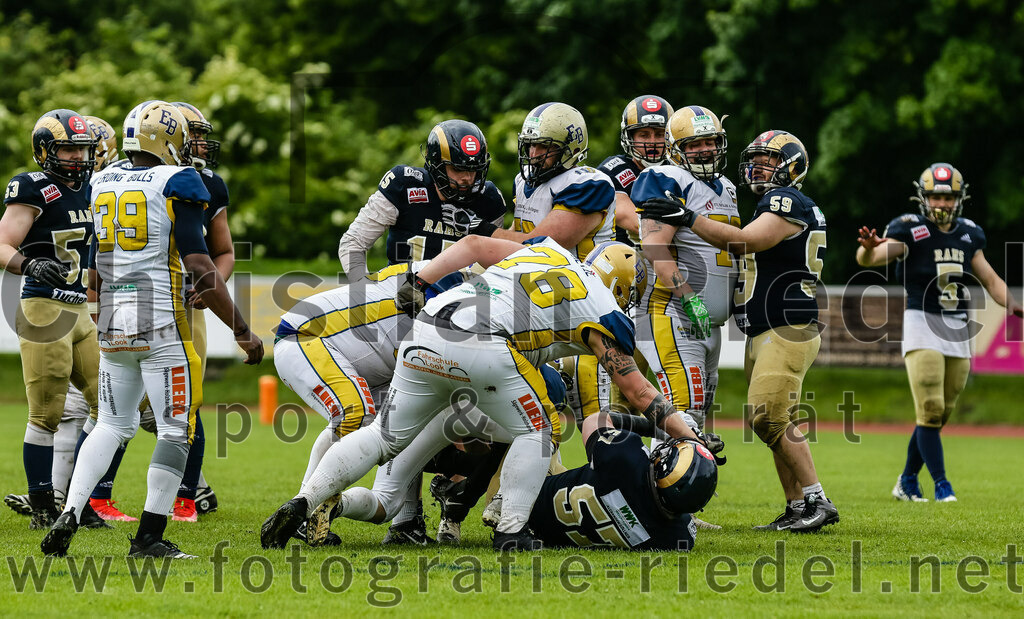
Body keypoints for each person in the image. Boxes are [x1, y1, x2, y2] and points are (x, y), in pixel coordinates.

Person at [260, 236, 701, 552]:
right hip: (482, 344)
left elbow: (474, 244)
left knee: (382, 436)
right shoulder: (606, 309)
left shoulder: (549, 250)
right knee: (540, 427)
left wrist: (423, 278)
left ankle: (307, 499)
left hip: (429, 326)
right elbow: (640, 392)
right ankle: (511, 531)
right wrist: (690, 437)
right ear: (626, 288)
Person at [41, 100, 263, 559]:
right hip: (163, 321)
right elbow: (201, 264)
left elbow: (96, 262)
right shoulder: (178, 180)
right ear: (166, 138)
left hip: (113, 320)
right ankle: (148, 537)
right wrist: (242, 330)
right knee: (175, 431)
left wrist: (98, 311)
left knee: (110, 424)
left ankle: (71, 512)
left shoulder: (101, 179)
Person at [639, 129, 837, 533]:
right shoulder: (771, 201)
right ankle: (797, 505)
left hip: (786, 324)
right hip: (765, 327)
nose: (759, 166)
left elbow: (746, 241)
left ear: (792, 166)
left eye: (769, 160)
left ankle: (818, 500)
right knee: (774, 418)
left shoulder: (784, 200)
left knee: (768, 417)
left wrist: (689, 217)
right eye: (757, 158)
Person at [856, 163, 1022, 502]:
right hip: (921, 320)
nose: (941, 203)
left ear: (959, 199)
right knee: (930, 407)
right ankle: (942, 484)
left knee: (940, 412)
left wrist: (1015, 305)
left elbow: (990, 279)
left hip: (958, 326)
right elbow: (869, 259)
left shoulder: (969, 233)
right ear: (923, 197)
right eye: (935, 196)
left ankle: (906, 480)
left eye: (948, 197)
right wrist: (870, 248)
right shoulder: (909, 228)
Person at [0, 109, 101, 530]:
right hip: (45, 308)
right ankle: (44, 505)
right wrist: (28, 265)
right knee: (47, 413)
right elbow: (2, 244)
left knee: (112, 407)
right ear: (45, 150)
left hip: (81, 310)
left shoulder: (94, 187)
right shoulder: (33, 186)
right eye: (67, 148)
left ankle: (81, 499)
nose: (78, 156)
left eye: (82, 148)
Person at [631, 105, 739, 435]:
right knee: (683, 410)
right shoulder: (665, 178)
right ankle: (659, 483)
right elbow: (653, 246)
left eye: (709, 141)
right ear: (677, 149)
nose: (704, 149)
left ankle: (675, 482)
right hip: (673, 312)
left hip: (709, 322)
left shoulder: (729, 186)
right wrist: (688, 296)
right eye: (693, 144)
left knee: (697, 415)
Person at [336, 119, 505, 278]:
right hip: (401, 296)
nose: (467, 178)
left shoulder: (489, 198)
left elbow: (498, 263)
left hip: (457, 300)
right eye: (457, 169)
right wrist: (364, 287)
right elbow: (353, 242)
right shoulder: (404, 184)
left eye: (473, 170)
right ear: (436, 164)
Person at [527, 413, 716, 550]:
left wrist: (661, 428)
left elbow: (595, 420)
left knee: (542, 409)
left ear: (665, 466)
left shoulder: (625, 455)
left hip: (527, 497)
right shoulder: (677, 537)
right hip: (554, 535)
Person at [600, 95, 674, 246]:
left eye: (659, 134)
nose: (652, 142)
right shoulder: (615, 169)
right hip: (623, 259)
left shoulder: (678, 170)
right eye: (644, 135)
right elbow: (636, 224)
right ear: (630, 137)